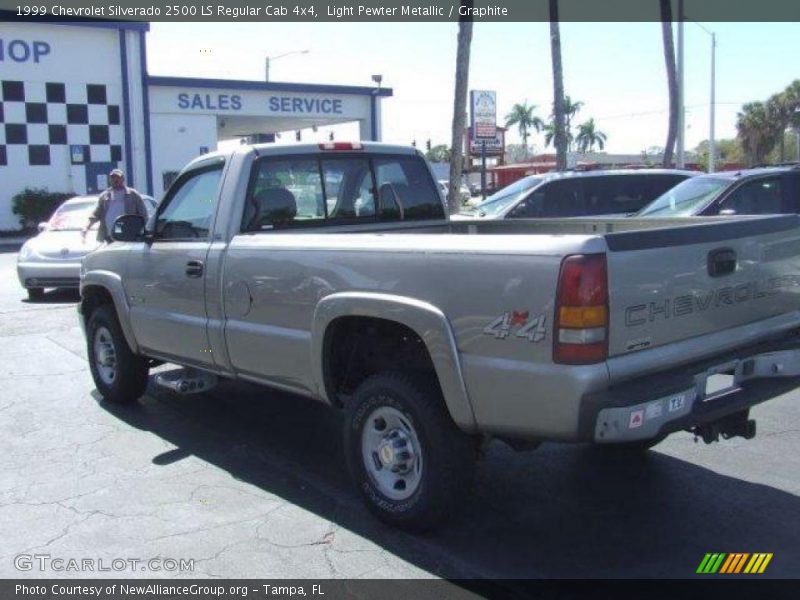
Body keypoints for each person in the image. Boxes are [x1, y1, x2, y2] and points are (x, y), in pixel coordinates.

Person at [82, 169, 148, 242]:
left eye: (117, 177)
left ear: (123, 179)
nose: (115, 180)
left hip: (128, 236)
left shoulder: (133, 195)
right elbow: (95, 215)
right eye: (112, 178)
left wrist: (142, 233)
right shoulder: (104, 196)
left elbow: (143, 215)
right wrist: (86, 228)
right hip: (109, 237)